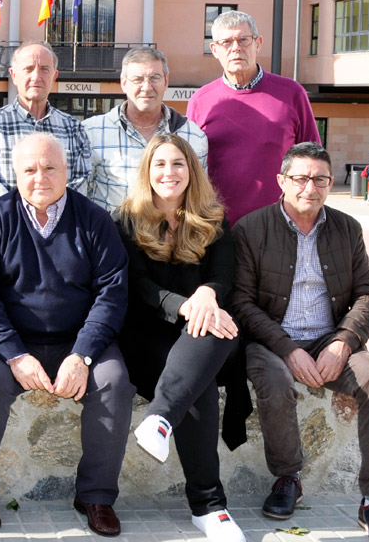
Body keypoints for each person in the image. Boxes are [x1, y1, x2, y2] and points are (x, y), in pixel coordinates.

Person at [0, 133, 133, 536]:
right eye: (30, 169)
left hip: (79, 339)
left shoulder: (93, 219)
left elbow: (112, 293)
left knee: (115, 384)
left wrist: (84, 354)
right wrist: (14, 354)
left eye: (49, 167)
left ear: (66, 171)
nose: (40, 177)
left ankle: (96, 495)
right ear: (15, 174)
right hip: (12, 343)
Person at [233, 142, 369, 542]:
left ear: (329, 183)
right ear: (282, 181)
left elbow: (368, 294)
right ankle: (288, 478)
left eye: (320, 179)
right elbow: (241, 301)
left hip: (331, 338)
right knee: (273, 381)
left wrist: (343, 341)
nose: (310, 187)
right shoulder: (251, 228)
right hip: (271, 340)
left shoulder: (346, 227)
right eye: (301, 177)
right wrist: (287, 348)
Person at [114, 134, 243, 542]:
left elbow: (224, 276)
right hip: (145, 336)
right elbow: (137, 287)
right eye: (160, 165)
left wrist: (207, 294)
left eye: (178, 165)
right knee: (197, 382)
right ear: (146, 172)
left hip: (201, 336)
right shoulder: (125, 221)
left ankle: (160, 419)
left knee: (217, 327)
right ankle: (209, 508)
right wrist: (186, 305)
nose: (168, 173)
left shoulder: (214, 220)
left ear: (192, 171)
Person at [187, 10, 320, 224]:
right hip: (218, 226)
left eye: (243, 40)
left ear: (258, 43)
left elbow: (313, 160)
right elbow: (190, 166)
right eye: (226, 42)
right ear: (214, 49)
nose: (236, 48)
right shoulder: (200, 101)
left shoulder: (292, 93)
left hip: (280, 223)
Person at [85, 46, 208, 212]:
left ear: (166, 81)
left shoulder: (193, 136)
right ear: (124, 83)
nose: (146, 87)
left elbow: (199, 197)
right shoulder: (91, 132)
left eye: (154, 78)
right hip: (112, 236)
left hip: (173, 236)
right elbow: (82, 197)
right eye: (138, 79)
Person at [0, 41, 91, 206]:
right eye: (28, 69)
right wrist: (26, 218)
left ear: (54, 76)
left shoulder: (74, 128)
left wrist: (50, 216)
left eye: (44, 69)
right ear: (13, 75)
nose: (36, 76)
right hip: (9, 228)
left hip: (62, 227)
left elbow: (81, 182)